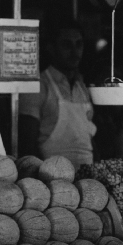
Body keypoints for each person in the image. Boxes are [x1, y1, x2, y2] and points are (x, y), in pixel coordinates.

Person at [18, 19, 96, 166]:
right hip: (52, 177)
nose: (75, 52)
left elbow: (88, 138)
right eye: (67, 45)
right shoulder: (38, 86)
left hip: (87, 174)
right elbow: (27, 147)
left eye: (79, 44)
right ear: (51, 48)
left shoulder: (82, 88)